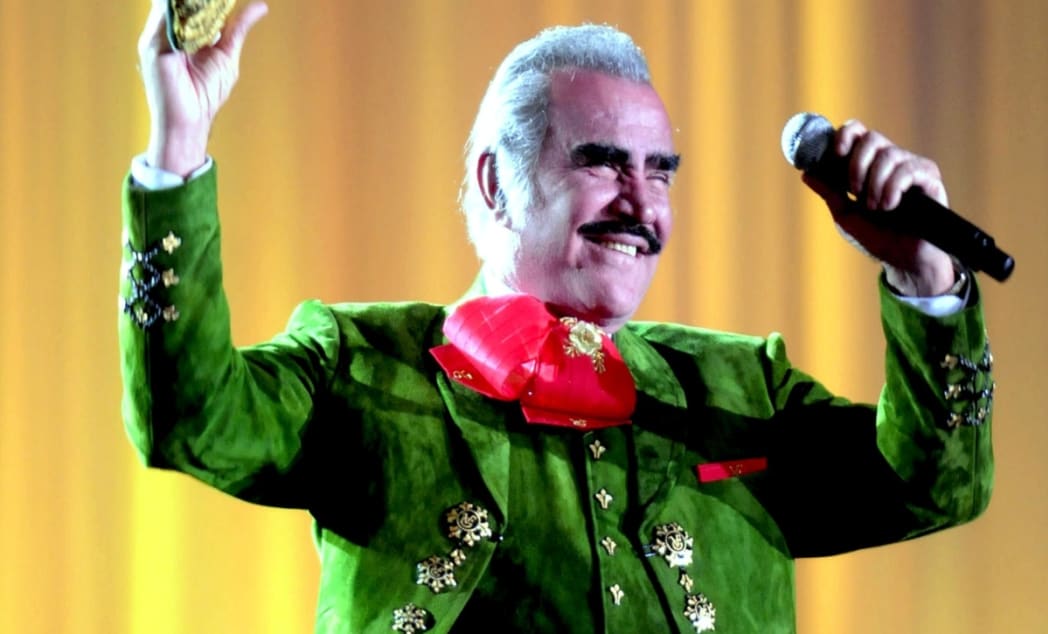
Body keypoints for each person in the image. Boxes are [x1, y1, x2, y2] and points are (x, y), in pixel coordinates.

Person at [120, 2, 994, 633]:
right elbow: (191, 420)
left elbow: (935, 487)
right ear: (497, 182)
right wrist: (178, 150)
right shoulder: (360, 361)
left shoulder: (742, 386)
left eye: (661, 172)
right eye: (603, 164)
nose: (640, 204)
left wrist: (926, 275)